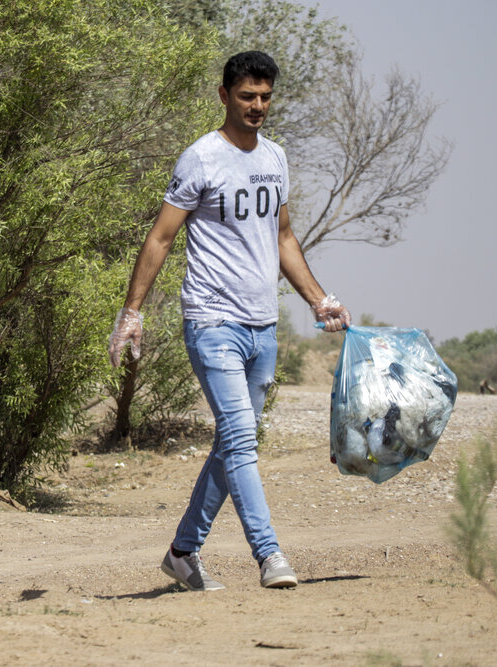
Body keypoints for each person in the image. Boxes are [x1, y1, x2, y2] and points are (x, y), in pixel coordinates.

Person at [108, 51, 350, 592]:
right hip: (212, 322)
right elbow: (161, 238)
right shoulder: (201, 159)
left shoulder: (276, 158)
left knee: (231, 445)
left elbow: (283, 238)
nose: (257, 106)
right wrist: (131, 314)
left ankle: (182, 553)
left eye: (265, 97)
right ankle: (270, 555)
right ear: (225, 96)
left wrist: (317, 298)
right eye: (247, 97)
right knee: (241, 440)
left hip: (263, 329)